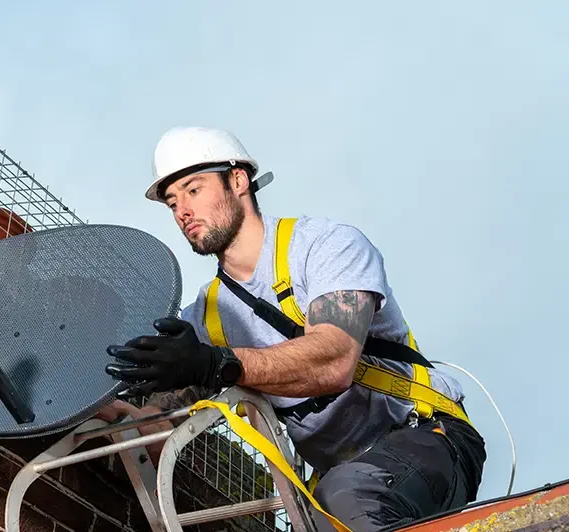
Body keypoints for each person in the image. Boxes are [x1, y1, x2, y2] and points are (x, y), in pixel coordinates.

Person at [101, 126, 486, 531]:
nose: (182, 211)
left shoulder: (325, 247)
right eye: (172, 202)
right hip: (339, 483)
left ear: (238, 180)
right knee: (332, 505)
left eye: (193, 190)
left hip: (429, 438)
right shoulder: (207, 318)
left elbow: (334, 360)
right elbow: (162, 420)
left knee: (345, 497)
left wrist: (219, 364)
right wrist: (105, 411)